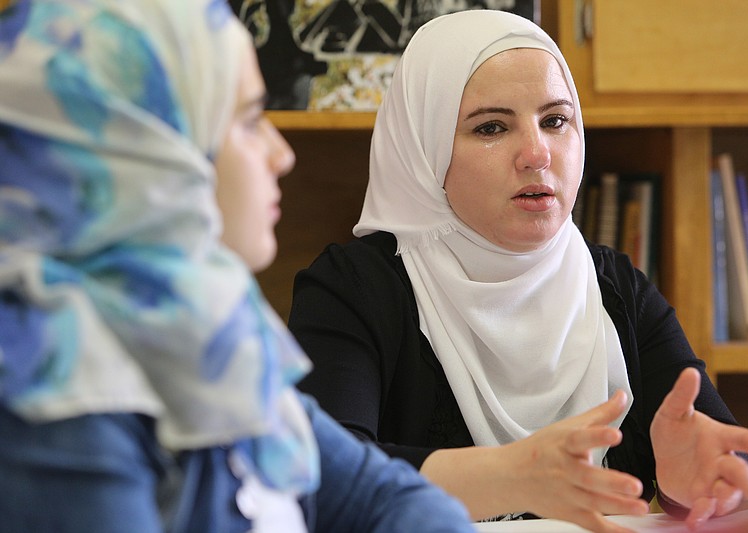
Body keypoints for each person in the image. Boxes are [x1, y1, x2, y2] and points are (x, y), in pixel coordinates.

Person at [288, 9, 748, 533]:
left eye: (555, 120)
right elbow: (319, 482)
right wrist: (513, 475)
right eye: (491, 127)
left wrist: (697, 479)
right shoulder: (354, 288)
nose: (537, 153)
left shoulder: (614, 285)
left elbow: (725, 458)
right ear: (423, 152)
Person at [0, 1, 474, 532]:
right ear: (147, 154)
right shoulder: (50, 396)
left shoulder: (210, 329)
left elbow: (384, 496)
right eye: (250, 121)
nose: (281, 154)